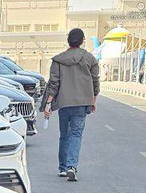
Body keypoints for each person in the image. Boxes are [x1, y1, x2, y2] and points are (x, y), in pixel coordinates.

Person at [41, 27, 101, 180]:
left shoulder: (58, 60)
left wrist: (48, 104)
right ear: (82, 41)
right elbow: (95, 82)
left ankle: (62, 167)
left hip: (64, 103)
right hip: (82, 103)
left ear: (68, 41)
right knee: (76, 134)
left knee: (64, 135)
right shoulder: (90, 59)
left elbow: (53, 83)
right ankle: (71, 166)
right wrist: (93, 100)